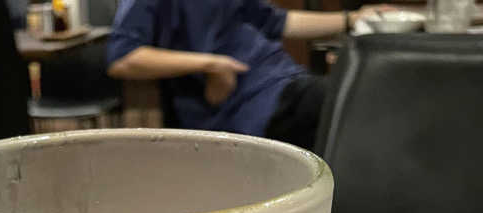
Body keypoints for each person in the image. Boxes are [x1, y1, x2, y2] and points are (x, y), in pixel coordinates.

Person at [106, 0, 385, 149]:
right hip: (251, 104)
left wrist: (351, 18)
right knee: (359, 105)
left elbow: (279, 22)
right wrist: (210, 64)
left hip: (287, 82)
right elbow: (123, 57)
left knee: (372, 96)